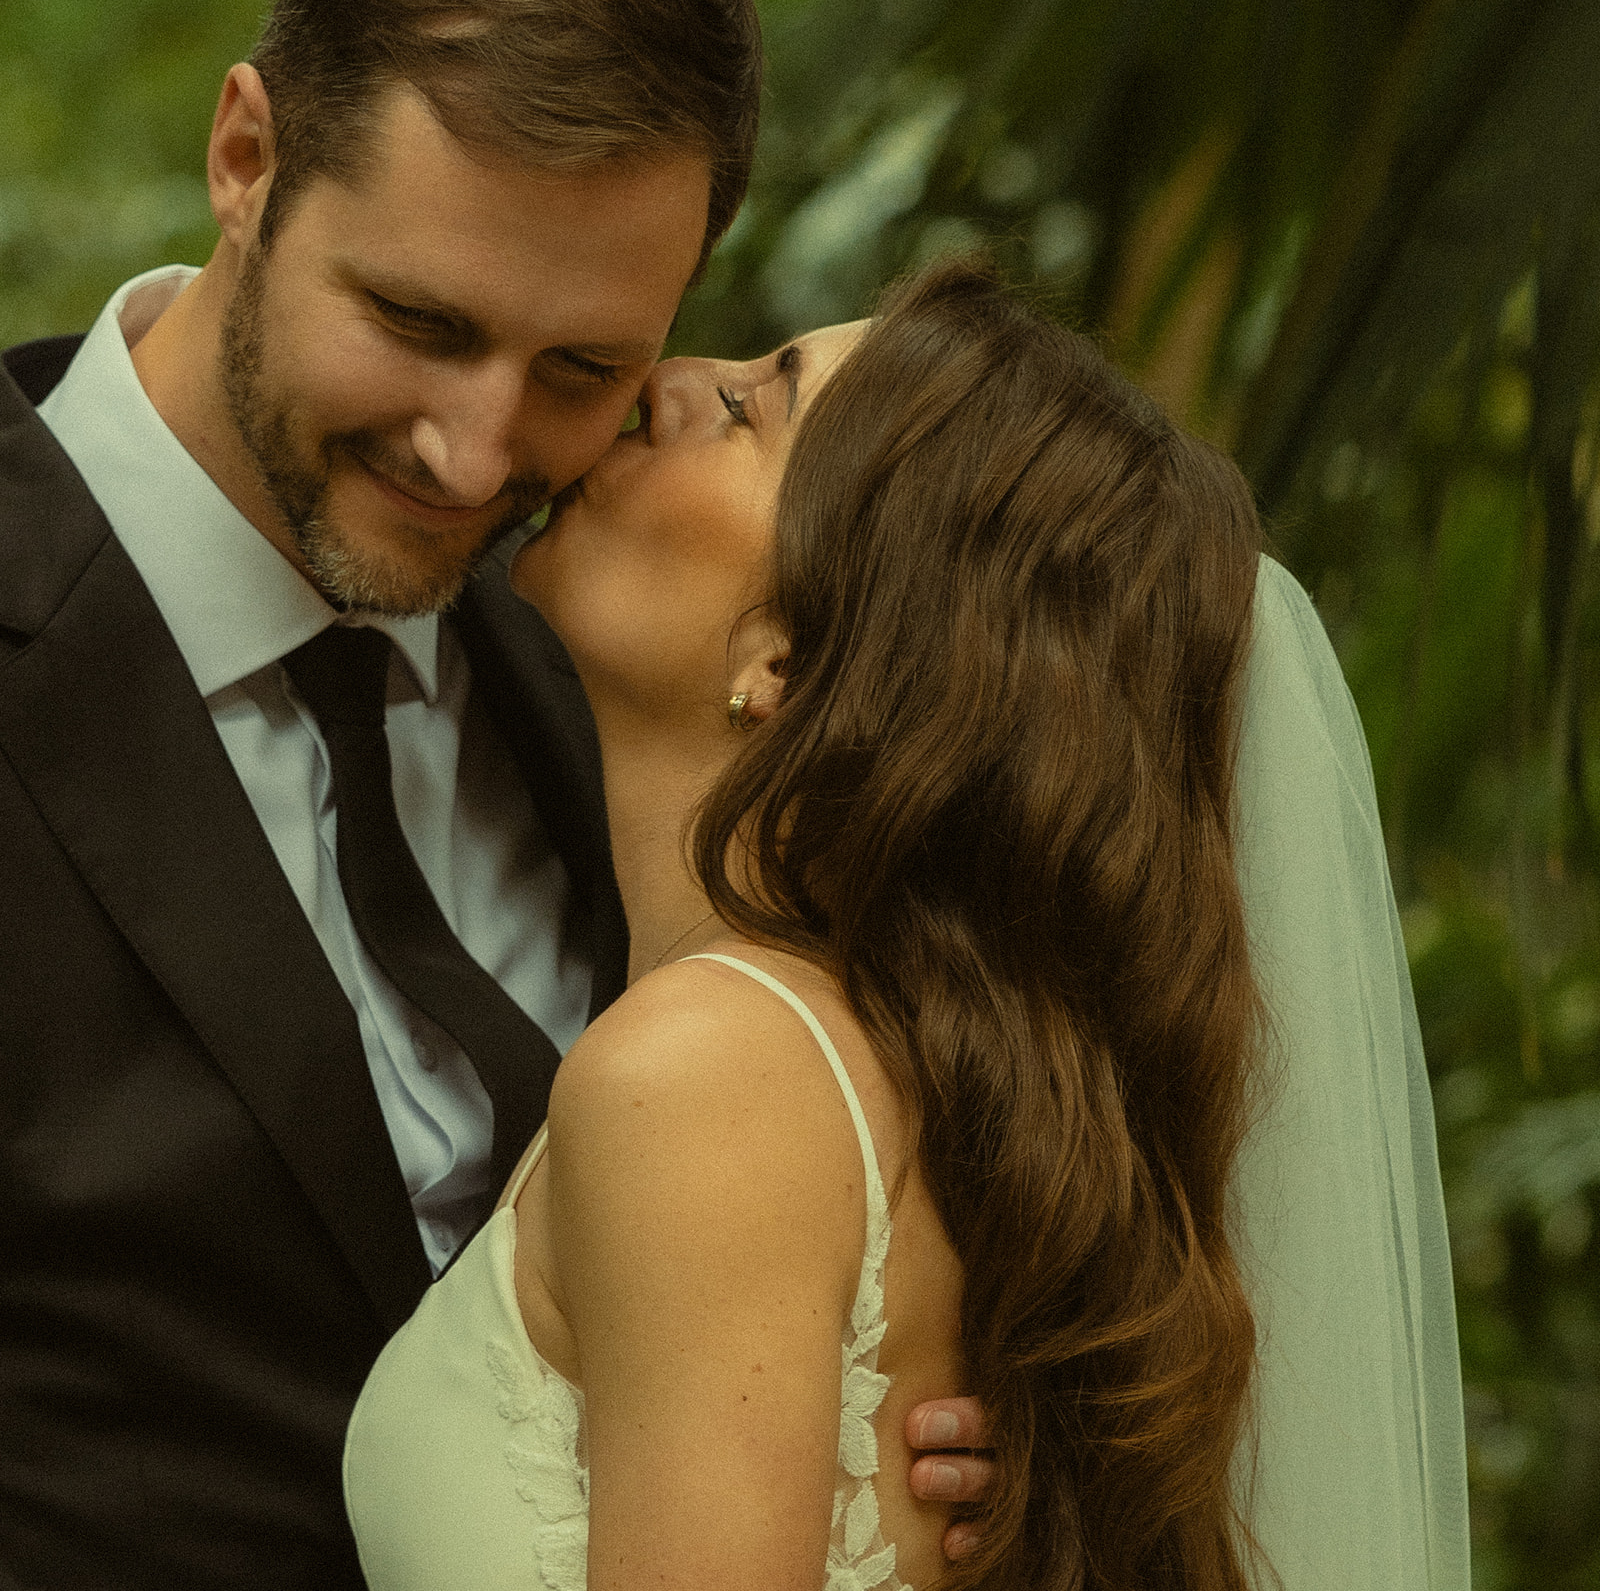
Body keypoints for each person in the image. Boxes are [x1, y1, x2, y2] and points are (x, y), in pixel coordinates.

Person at [0, 0, 985, 1587]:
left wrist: (917, 1440)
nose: (474, 456)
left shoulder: (640, 679)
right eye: (419, 321)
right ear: (247, 157)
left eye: (583, 366)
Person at [342, 259, 1473, 1590]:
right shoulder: (917, 1093)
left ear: (790, 647)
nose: (667, 382)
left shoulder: (702, 1077)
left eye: (759, 404)